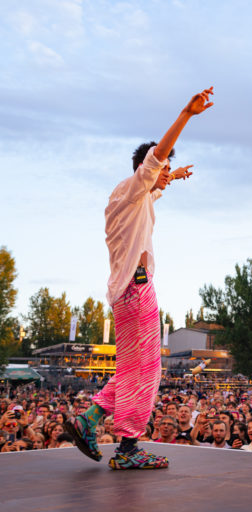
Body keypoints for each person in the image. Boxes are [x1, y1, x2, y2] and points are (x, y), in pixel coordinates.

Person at [65, 87, 214, 470]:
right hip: (137, 288)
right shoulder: (135, 189)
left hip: (124, 292)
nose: (164, 176)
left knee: (132, 367)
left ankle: (89, 419)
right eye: (162, 171)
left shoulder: (128, 197)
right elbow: (155, 159)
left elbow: (153, 185)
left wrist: (172, 176)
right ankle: (129, 447)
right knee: (147, 370)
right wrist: (186, 114)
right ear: (146, 171)